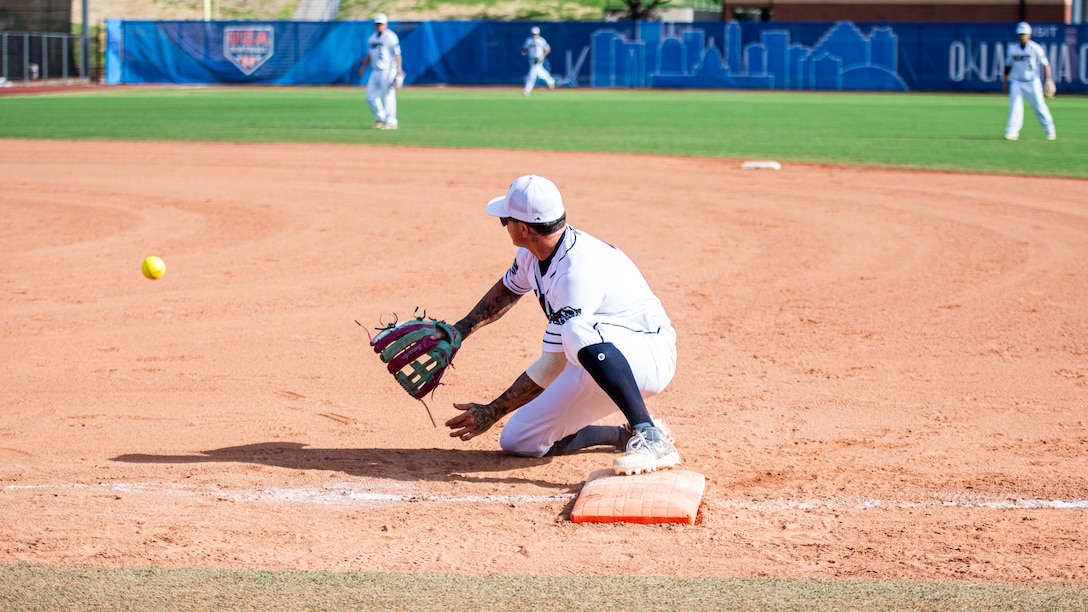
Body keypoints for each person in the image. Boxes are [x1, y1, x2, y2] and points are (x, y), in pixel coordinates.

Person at [442, 175, 680, 476]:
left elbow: (550, 365)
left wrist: (492, 410)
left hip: (646, 356)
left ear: (524, 229)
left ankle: (650, 435)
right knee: (520, 440)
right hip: (596, 358)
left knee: (573, 330)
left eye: (505, 220)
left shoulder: (576, 272)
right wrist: (459, 331)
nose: (504, 224)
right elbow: (509, 289)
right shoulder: (532, 252)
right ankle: (625, 433)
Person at [1002, 21, 1056, 141]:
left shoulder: (1035, 48)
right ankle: (1012, 132)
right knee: (1015, 107)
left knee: (1039, 106)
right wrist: (1005, 81)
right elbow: (1007, 66)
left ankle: (1050, 129)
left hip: (1032, 81)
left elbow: (1045, 64)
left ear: (1029, 35)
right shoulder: (1012, 48)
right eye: (1020, 34)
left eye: (1024, 34)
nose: (1022, 36)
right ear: (1017, 35)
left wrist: (1049, 79)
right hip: (1017, 81)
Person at [358, 13, 404, 130]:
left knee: (388, 95)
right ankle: (380, 118)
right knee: (370, 96)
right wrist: (363, 67)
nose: (379, 26)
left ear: (386, 24)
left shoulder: (390, 37)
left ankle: (391, 122)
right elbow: (369, 54)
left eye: (381, 24)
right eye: (377, 24)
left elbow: (397, 54)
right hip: (375, 71)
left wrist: (399, 70)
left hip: (388, 70)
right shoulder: (372, 38)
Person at [521, 26, 556, 96]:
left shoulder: (541, 40)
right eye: (533, 34)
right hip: (531, 59)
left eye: (536, 34)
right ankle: (551, 81)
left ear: (538, 34)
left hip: (538, 59)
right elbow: (525, 48)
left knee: (532, 75)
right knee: (540, 72)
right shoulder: (528, 40)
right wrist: (524, 52)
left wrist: (542, 56)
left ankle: (527, 90)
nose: (534, 35)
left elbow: (548, 49)